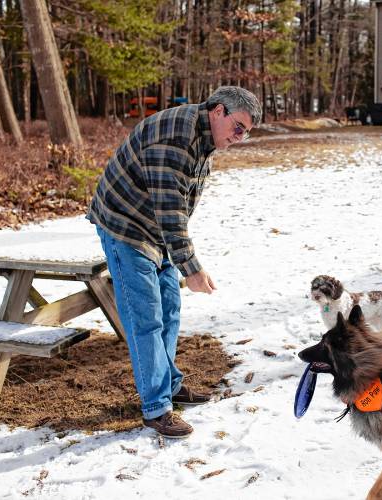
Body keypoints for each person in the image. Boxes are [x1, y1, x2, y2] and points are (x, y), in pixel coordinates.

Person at [87, 86, 262, 438]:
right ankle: (156, 407)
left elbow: (179, 206)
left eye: (246, 132)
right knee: (145, 318)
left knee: (169, 306)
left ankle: (168, 384)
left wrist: (179, 257)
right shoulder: (175, 139)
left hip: (155, 228)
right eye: (238, 128)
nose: (239, 138)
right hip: (125, 225)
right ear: (217, 111)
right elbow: (170, 211)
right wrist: (192, 268)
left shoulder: (206, 139)